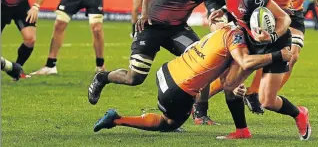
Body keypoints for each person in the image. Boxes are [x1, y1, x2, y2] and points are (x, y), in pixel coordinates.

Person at [88, 0, 221, 107]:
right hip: (151, 26)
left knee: (204, 61)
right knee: (134, 78)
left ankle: (200, 112)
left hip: (177, 29)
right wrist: (143, 15)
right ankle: (102, 77)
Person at [92, 23, 292, 134]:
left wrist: (237, 84)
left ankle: (196, 112)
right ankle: (116, 120)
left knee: (188, 99)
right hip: (176, 90)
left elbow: (221, 66)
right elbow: (244, 63)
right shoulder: (237, 42)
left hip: (168, 71)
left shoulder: (225, 29)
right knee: (168, 124)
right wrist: (277, 55)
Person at [209, 0, 311, 140]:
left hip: (276, 45)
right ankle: (242, 131)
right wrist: (224, 10)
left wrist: (271, 37)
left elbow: (284, 18)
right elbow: (237, 8)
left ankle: (299, 113)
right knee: (230, 85)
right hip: (253, 43)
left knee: (267, 101)